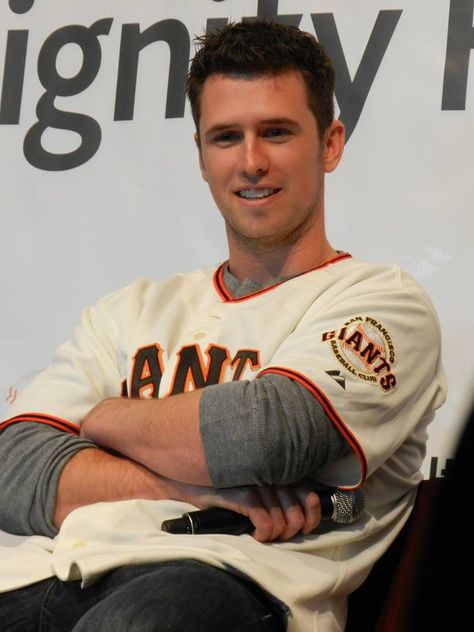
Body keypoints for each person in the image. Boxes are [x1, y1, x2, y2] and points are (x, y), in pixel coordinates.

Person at [0, 20, 446, 632]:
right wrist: (198, 489)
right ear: (202, 156)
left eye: (277, 132)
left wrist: (104, 417)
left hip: (226, 576)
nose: (252, 162)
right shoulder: (129, 309)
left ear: (331, 144)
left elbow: (269, 435)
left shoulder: (382, 300)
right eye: (226, 137)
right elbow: (15, 470)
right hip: (38, 572)